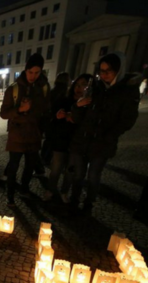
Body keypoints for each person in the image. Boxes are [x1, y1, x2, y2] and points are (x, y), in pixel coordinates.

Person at [68, 52, 140, 215]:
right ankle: (73, 201)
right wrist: (78, 106)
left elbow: (128, 120)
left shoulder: (127, 90)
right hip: (82, 140)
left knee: (93, 176)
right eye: (101, 70)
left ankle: (88, 203)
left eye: (108, 71)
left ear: (118, 70)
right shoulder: (95, 87)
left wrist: (109, 135)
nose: (104, 75)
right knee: (78, 174)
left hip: (102, 143)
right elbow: (78, 117)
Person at [0, 52, 50, 208]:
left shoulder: (44, 88)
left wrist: (36, 110)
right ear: (25, 70)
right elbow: (3, 113)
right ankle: (10, 195)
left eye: (37, 73)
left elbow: (47, 109)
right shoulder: (14, 89)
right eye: (30, 72)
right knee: (13, 166)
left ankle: (24, 189)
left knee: (30, 166)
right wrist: (20, 110)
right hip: (17, 135)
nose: (33, 76)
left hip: (34, 134)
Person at [43, 73, 91, 203]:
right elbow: (52, 118)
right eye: (78, 84)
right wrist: (57, 116)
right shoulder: (64, 100)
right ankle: (50, 189)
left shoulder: (90, 105)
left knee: (70, 170)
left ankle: (64, 191)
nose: (79, 88)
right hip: (61, 140)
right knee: (56, 168)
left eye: (83, 85)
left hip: (77, 142)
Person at [42, 72, 70, 164]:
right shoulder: (65, 94)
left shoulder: (52, 92)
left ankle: (44, 158)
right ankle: (47, 158)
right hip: (57, 122)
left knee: (48, 141)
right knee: (52, 142)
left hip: (49, 121)